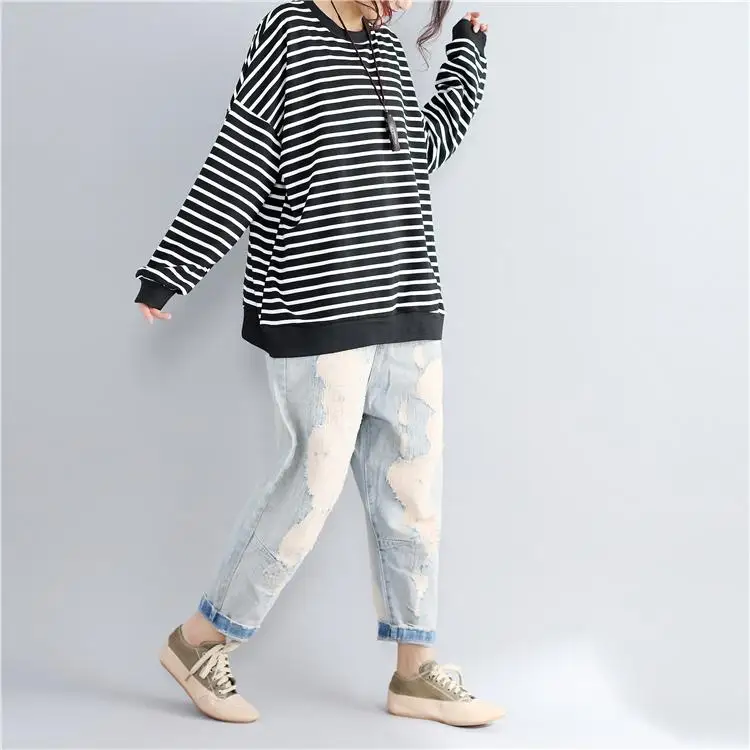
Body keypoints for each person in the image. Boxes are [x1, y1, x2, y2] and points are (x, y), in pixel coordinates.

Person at [134, 0, 502, 727]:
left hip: (406, 298)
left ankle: (414, 673)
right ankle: (197, 640)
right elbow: (240, 159)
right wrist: (172, 268)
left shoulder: (387, 49)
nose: (403, 6)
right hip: (320, 303)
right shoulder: (290, 33)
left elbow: (419, 152)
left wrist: (465, 59)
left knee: (413, 494)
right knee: (311, 486)